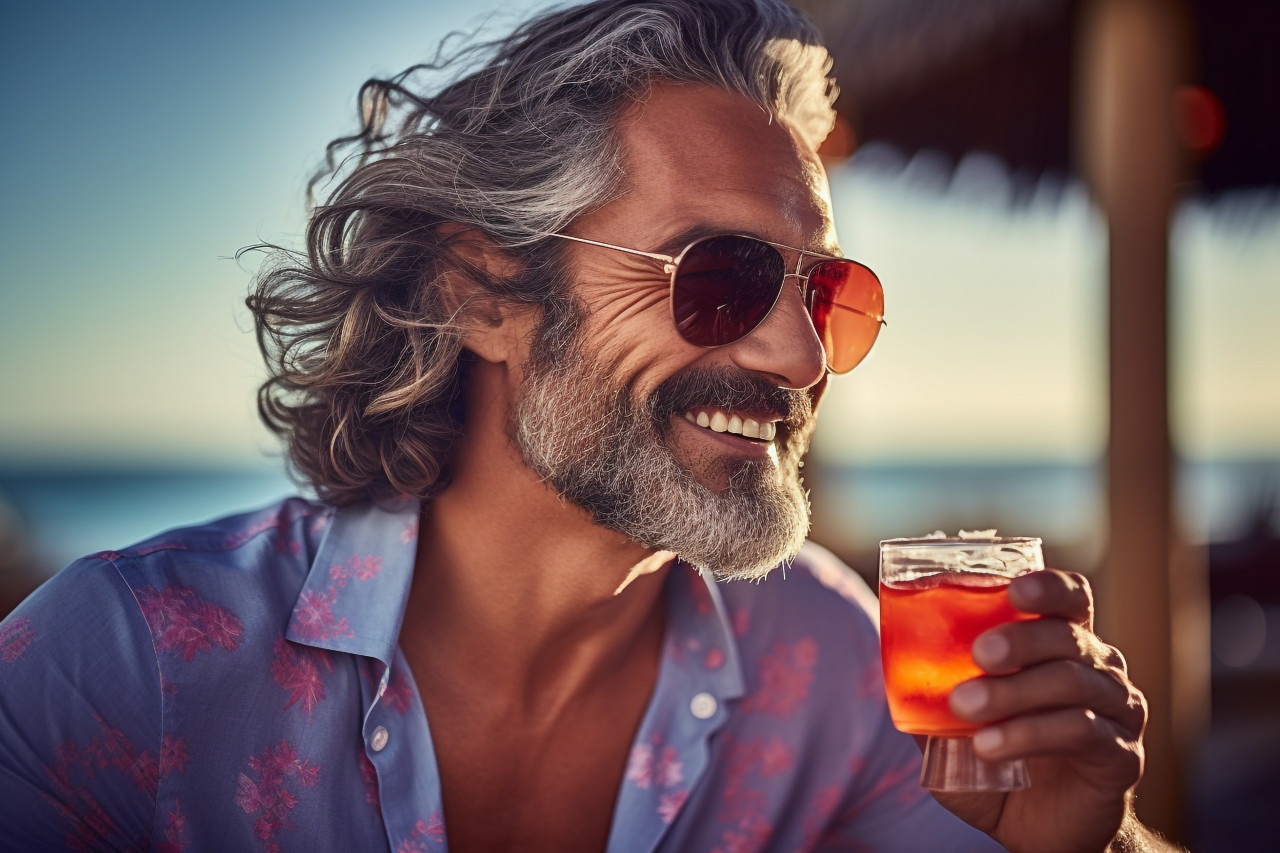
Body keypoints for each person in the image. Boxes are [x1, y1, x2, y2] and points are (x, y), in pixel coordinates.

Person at [0, 2, 1178, 850]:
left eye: (822, 292)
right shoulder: (123, 668)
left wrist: (1087, 839)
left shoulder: (827, 660)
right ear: (483, 295)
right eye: (716, 275)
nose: (801, 354)